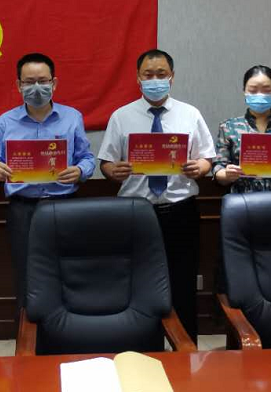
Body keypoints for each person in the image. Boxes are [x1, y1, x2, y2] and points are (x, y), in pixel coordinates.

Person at [98, 49, 215, 343]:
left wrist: (200, 167)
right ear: (138, 78)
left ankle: (185, 350)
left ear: (172, 77)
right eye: (148, 75)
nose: (155, 80)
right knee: (138, 284)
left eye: (161, 74)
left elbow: (207, 158)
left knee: (183, 282)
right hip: (136, 212)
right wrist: (114, 171)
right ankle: (144, 348)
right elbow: (106, 163)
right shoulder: (121, 116)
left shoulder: (190, 114)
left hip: (180, 210)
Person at [0, 53, 95, 310]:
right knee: (26, 275)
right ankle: (28, 330)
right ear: (18, 85)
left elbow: (87, 158)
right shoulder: (5, 121)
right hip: (23, 208)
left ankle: (68, 328)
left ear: (54, 83)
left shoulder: (72, 117)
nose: (36, 87)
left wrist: (80, 170)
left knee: (68, 271)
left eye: (43, 81)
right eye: (29, 81)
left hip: (64, 205)